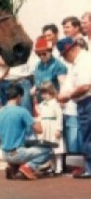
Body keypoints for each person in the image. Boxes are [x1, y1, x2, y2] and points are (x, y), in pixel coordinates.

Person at [0, 84, 52, 180]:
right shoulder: (22, 111)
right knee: (48, 151)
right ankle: (28, 167)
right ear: (19, 96)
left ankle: (13, 167)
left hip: (4, 153)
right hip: (18, 153)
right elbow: (39, 130)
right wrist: (37, 116)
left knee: (26, 144)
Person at [56, 37, 91, 179]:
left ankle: (90, 168)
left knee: (88, 136)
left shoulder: (84, 61)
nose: (64, 58)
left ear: (70, 50)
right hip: (83, 102)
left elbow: (85, 86)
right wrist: (62, 95)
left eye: (64, 54)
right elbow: (70, 84)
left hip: (88, 100)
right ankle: (89, 167)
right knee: (87, 136)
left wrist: (68, 95)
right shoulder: (76, 64)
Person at [36, 82, 64, 173]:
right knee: (48, 148)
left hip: (53, 126)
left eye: (46, 93)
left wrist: (58, 129)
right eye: (43, 93)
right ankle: (52, 166)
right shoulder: (42, 105)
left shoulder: (55, 103)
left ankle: (59, 168)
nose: (44, 96)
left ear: (51, 93)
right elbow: (40, 116)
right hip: (44, 126)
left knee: (56, 147)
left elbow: (59, 116)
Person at [31, 35, 67, 104]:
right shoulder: (39, 65)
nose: (41, 56)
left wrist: (61, 100)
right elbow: (38, 80)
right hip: (40, 98)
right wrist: (34, 87)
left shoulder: (58, 65)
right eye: (39, 54)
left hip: (52, 99)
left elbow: (63, 84)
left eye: (44, 54)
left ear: (50, 52)